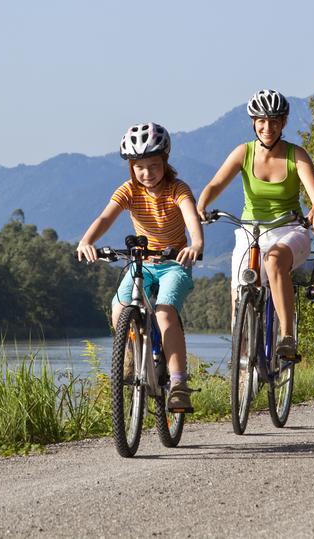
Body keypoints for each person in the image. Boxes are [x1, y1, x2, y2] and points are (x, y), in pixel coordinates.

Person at [76, 122, 204, 412]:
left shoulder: (177, 189)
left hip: (173, 264)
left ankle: (179, 383)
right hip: (141, 264)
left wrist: (195, 244)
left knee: (164, 313)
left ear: (165, 162)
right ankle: (133, 353)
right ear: (131, 167)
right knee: (119, 308)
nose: (147, 173)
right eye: (140, 167)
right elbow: (105, 219)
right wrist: (86, 241)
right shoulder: (129, 190)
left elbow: (191, 218)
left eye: (154, 165)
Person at [196, 89, 314, 361]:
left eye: (274, 121)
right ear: (254, 123)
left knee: (275, 260)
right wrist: (202, 205)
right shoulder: (243, 152)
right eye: (262, 121)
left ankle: (287, 337)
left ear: (284, 123)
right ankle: (244, 368)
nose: (267, 127)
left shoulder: (296, 155)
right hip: (250, 231)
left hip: (289, 229)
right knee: (239, 296)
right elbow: (215, 184)